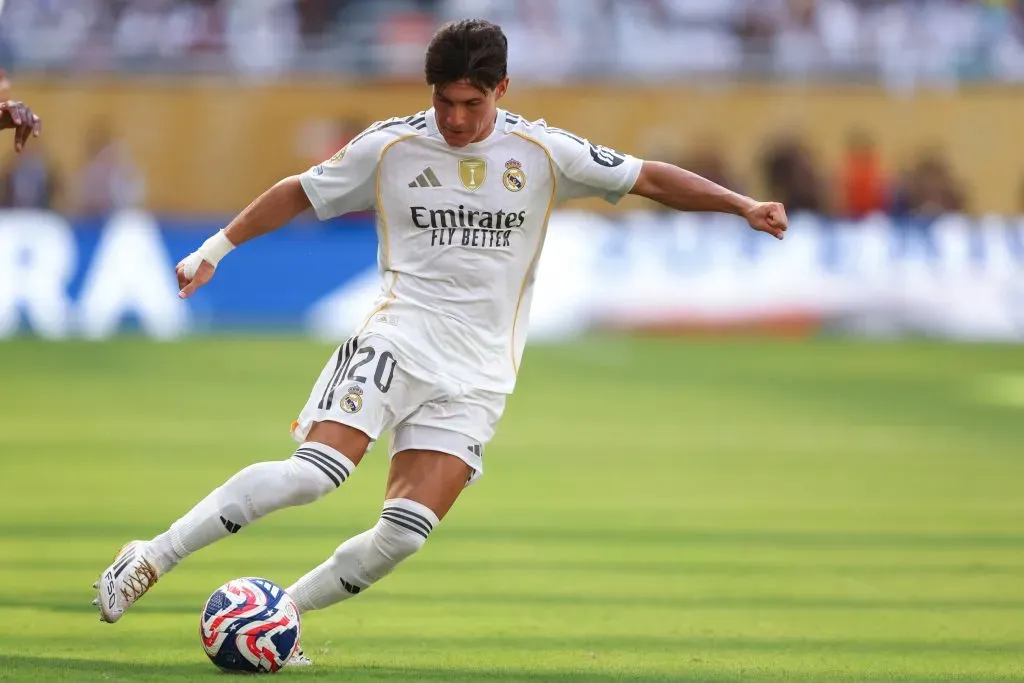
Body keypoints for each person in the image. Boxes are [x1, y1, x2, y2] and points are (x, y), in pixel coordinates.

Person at [93, 18, 788, 664]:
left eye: (470, 104)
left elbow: (649, 178)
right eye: (444, 101)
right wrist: (216, 247)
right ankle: (151, 555)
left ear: (501, 91)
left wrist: (742, 204)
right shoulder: (390, 145)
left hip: (480, 373)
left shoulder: (544, 152)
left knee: (401, 535)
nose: (455, 119)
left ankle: (278, 619)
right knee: (313, 474)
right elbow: (300, 191)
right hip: (399, 335)